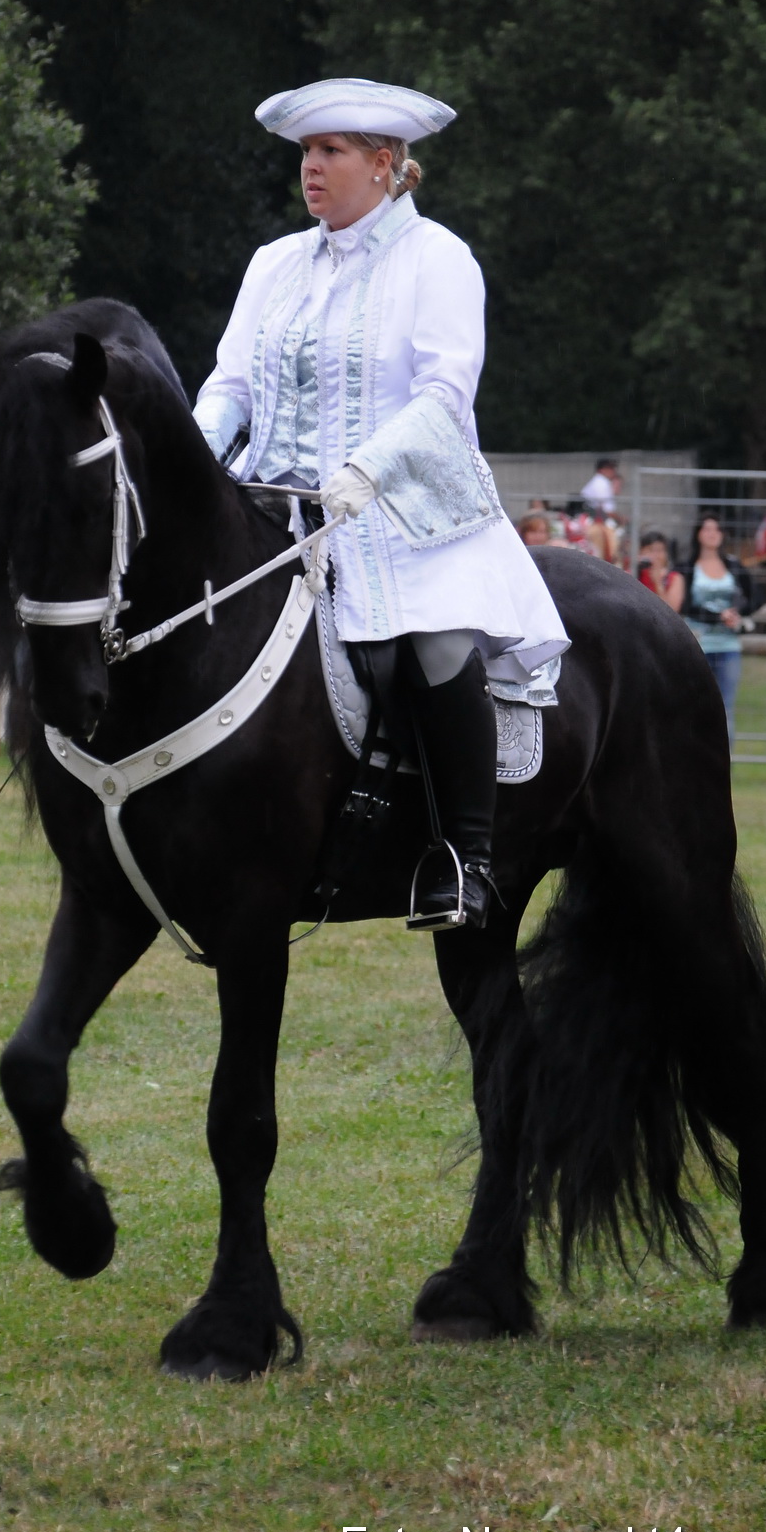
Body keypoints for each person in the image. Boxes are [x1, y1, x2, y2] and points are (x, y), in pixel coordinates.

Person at [193, 76, 569, 929]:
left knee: (425, 643)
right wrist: (195, 454)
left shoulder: (437, 257)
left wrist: (364, 470)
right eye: (305, 153)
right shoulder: (273, 265)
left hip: (402, 514)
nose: (311, 169)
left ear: (385, 162)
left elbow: (443, 396)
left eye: (329, 152)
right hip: (274, 510)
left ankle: (461, 859)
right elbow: (232, 384)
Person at [672, 517, 750, 746]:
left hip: (728, 645)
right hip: (699, 644)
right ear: (698, 533)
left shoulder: (733, 566)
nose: (712, 533)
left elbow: (755, 596)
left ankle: (724, 755)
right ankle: (693, 751)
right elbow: (684, 604)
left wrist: (737, 613)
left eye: (717, 529)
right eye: (706, 529)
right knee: (695, 701)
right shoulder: (687, 567)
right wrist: (716, 616)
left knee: (726, 704)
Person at [635, 530, 680, 607]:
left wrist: (658, 583)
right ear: (641, 552)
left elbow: (672, 611)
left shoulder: (674, 578)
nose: (655, 555)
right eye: (650, 550)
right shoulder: (634, 573)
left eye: (659, 550)